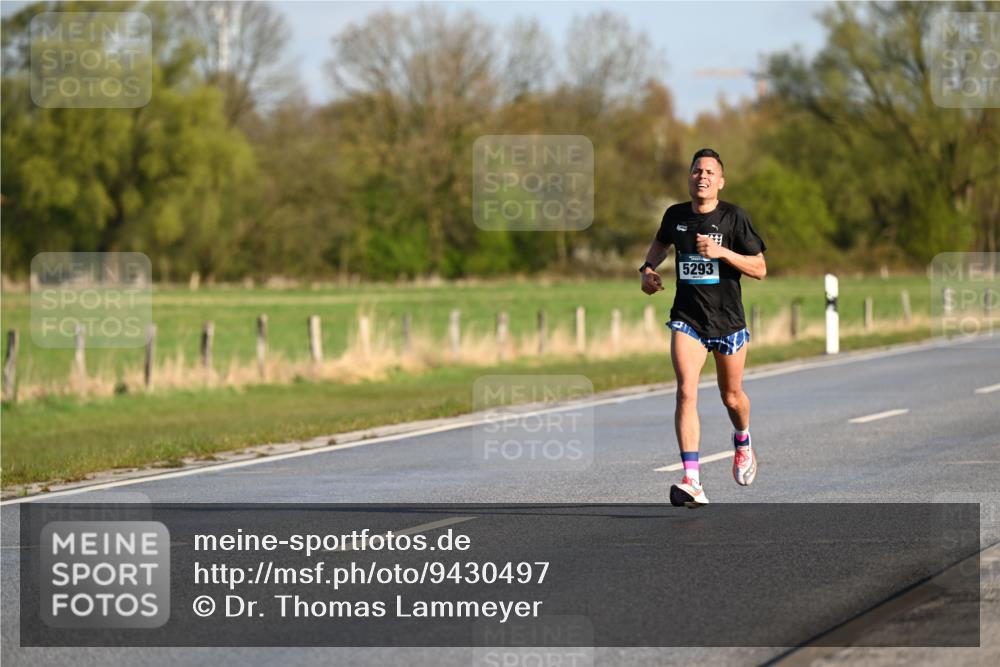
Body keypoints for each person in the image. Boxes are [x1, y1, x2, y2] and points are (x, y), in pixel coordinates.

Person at [639, 148, 767, 508]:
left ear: (720, 181)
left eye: (710, 172)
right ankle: (692, 480)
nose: (703, 176)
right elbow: (661, 243)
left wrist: (722, 253)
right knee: (686, 391)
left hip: (728, 321)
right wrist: (647, 270)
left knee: (732, 397)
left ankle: (742, 440)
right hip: (688, 319)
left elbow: (759, 268)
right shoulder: (675, 215)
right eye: (697, 171)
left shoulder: (734, 218)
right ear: (690, 178)